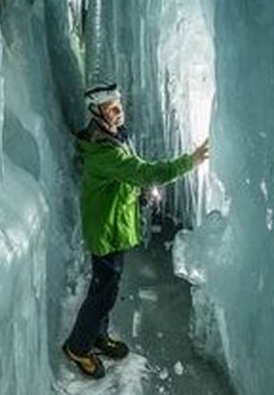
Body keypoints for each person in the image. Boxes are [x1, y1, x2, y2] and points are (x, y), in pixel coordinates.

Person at [62, 82, 210, 378]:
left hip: (113, 225)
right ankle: (78, 347)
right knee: (102, 292)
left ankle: (98, 336)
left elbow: (131, 175)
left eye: (120, 106)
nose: (119, 112)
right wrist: (190, 161)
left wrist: (139, 192)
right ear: (98, 113)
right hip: (106, 232)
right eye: (112, 108)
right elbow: (147, 171)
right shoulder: (107, 153)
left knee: (108, 286)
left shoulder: (114, 138)